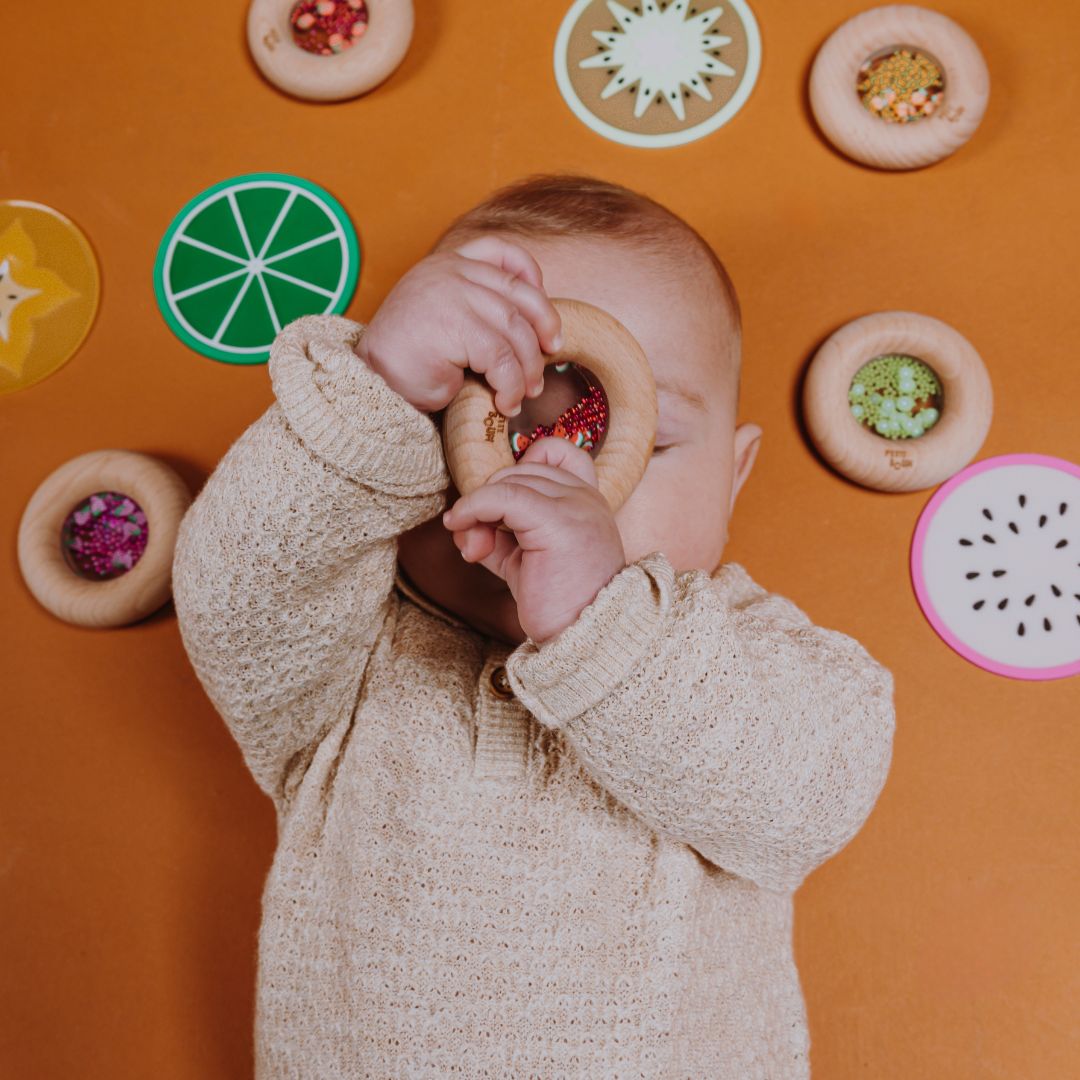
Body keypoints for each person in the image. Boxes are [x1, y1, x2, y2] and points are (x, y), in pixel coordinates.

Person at [172, 173, 896, 1078]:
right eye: (479, 423)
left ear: (734, 477)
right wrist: (377, 392)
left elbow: (812, 794)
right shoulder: (349, 655)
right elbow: (239, 589)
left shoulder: (745, 654)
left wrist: (607, 623)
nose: (547, 474)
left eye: (635, 438)